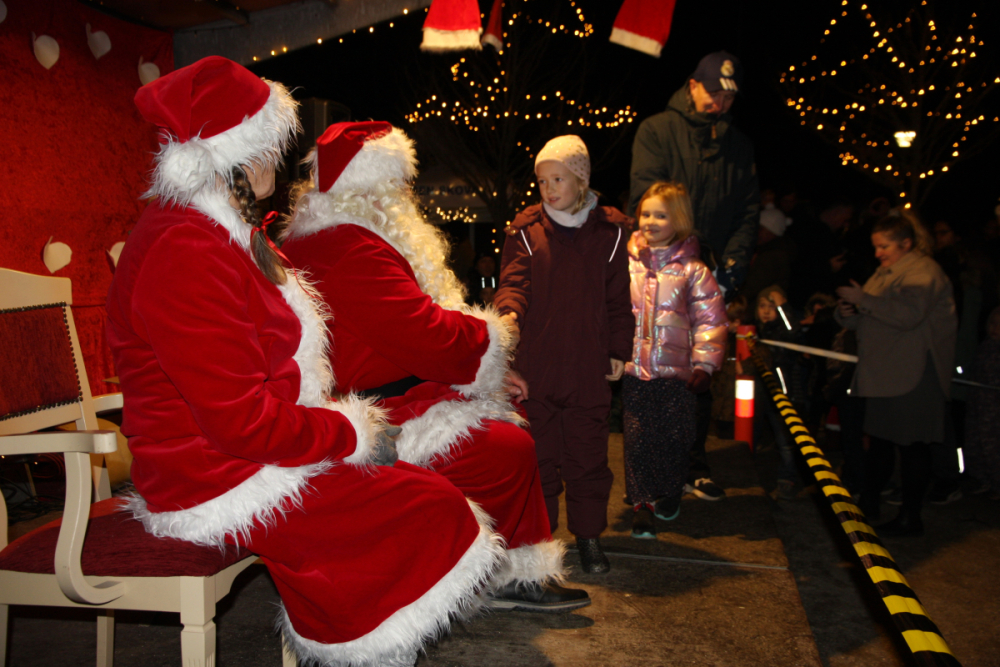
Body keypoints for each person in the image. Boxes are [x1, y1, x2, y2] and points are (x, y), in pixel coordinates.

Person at [106, 58, 507, 667]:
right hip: (212, 477)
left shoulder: (220, 232)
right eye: (271, 144)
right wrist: (348, 433)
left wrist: (344, 429)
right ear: (238, 155)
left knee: (417, 491)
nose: (282, 157)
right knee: (421, 508)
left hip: (243, 453)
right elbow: (239, 422)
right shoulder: (184, 246)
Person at [280, 121, 588, 613]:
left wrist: (482, 369)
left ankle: (497, 566)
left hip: (388, 390)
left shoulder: (341, 236)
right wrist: (490, 342)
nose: (407, 195)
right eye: (398, 184)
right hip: (369, 411)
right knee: (503, 447)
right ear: (371, 187)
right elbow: (423, 333)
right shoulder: (349, 247)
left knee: (506, 427)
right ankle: (483, 571)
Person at [493, 135, 634, 573]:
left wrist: (618, 347)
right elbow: (514, 281)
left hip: (588, 366)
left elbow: (618, 298)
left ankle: (588, 537)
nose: (549, 189)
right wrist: (508, 312)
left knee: (588, 458)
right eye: (542, 181)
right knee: (540, 459)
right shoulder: (526, 231)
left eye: (559, 179)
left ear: (581, 180)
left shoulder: (609, 234)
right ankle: (541, 541)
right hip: (537, 366)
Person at [628, 51, 759, 502]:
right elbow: (646, 194)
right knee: (654, 380)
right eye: (713, 92)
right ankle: (649, 474)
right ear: (692, 85)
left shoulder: (738, 145)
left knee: (700, 370)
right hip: (666, 268)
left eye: (729, 96)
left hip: (711, 272)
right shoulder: (657, 130)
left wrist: (731, 268)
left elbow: (747, 212)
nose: (720, 102)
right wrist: (667, 248)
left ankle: (693, 464)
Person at [836, 209, 957, 537]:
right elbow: (871, 317)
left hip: (912, 376)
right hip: (886, 373)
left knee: (912, 446)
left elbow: (908, 315)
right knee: (880, 443)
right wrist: (848, 312)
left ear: (906, 243)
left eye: (884, 246)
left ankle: (910, 517)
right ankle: (870, 503)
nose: (878, 253)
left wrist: (863, 299)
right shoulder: (886, 272)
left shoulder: (923, 272)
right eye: (876, 247)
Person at [622, 182, 726, 539]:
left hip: (677, 373)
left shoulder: (693, 271)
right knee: (637, 438)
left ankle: (669, 490)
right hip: (635, 370)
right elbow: (612, 311)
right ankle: (642, 503)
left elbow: (710, 320)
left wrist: (705, 365)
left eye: (661, 215)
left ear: (678, 220)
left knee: (676, 436)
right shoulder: (628, 264)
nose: (650, 221)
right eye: (646, 214)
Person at [752, 285, 804, 499]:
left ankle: (787, 478)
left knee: (785, 440)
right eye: (762, 306)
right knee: (751, 435)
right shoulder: (754, 331)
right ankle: (749, 474)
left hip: (780, 393)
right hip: (757, 394)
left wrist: (783, 307)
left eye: (772, 307)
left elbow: (793, 331)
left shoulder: (783, 331)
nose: (766, 311)